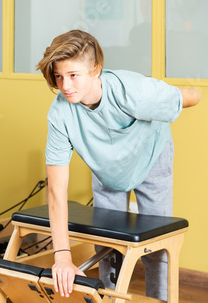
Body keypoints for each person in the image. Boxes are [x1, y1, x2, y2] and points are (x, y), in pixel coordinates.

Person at [37, 30, 201, 300]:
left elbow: (193, 95)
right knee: (107, 245)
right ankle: (109, 299)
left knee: (156, 246)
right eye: (59, 76)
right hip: (107, 167)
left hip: (151, 156)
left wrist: (164, 100)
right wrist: (62, 256)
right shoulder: (60, 113)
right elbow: (56, 191)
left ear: (95, 70)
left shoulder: (135, 92)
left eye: (74, 75)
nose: (65, 85)